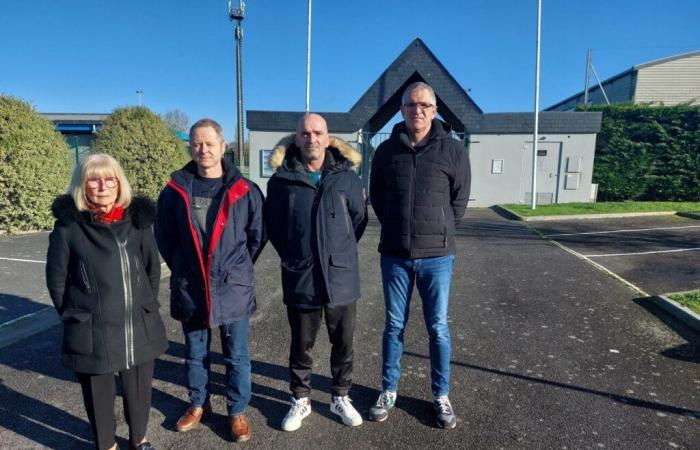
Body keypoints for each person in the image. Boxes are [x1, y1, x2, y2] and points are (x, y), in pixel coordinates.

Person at [46, 154, 168, 450]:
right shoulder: (69, 228)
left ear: (119, 183)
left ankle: (139, 439)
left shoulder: (137, 223)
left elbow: (152, 271)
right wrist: (77, 314)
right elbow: (57, 280)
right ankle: (107, 445)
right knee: (98, 395)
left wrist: (144, 304)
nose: (103, 186)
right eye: (94, 179)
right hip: (92, 328)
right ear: (83, 185)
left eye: (110, 178)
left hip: (137, 322)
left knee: (138, 389)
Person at [155, 118, 265, 442]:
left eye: (209, 143)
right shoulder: (175, 190)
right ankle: (197, 403)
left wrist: (236, 268)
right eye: (196, 144)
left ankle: (236, 411)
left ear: (222, 147)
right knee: (195, 352)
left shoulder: (245, 190)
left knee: (237, 355)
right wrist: (181, 266)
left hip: (232, 286)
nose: (202, 150)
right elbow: (165, 235)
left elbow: (256, 236)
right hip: (191, 284)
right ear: (191, 147)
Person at [368, 82, 471, 429]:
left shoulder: (454, 151)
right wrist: (398, 227)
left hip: (437, 257)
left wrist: (440, 230)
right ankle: (389, 390)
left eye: (425, 105)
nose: (418, 110)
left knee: (437, 327)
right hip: (395, 255)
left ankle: (441, 395)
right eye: (411, 105)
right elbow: (378, 198)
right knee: (394, 325)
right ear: (401, 110)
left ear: (435, 109)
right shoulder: (385, 151)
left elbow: (459, 201)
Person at [264, 113, 368, 431]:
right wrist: (297, 255)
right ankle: (300, 399)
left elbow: (358, 221)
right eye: (305, 133)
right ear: (296, 139)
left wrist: (337, 253)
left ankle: (340, 396)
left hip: (341, 276)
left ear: (328, 137)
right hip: (302, 276)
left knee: (344, 342)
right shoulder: (281, 181)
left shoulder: (348, 178)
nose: (311, 138)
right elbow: (276, 228)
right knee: (301, 343)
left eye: (317, 132)